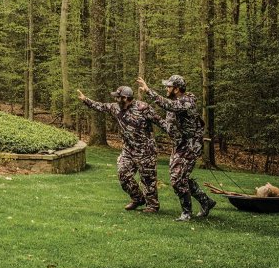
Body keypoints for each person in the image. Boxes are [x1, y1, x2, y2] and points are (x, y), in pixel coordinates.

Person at [136, 74, 216, 221]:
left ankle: (186, 213)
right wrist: (150, 115)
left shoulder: (187, 102)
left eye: (169, 86)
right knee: (180, 178)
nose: (166, 88)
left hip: (190, 145)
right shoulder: (175, 102)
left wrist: (148, 91)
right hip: (179, 145)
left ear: (177, 89)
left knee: (177, 179)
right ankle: (206, 201)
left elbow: (168, 105)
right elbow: (168, 126)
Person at [78, 85, 166, 213]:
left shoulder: (143, 108)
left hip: (146, 151)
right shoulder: (115, 108)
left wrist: (177, 134)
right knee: (123, 174)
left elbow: (161, 122)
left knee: (148, 180)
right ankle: (138, 198)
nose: (115, 99)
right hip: (128, 151)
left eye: (118, 97)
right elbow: (101, 106)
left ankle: (152, 206)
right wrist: (85, 99)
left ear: (125, 98)